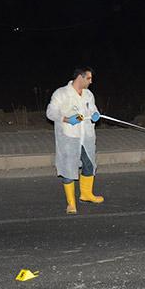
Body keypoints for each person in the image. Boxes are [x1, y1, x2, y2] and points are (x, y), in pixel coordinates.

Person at [46, 67, 104, 214]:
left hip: (87, 136)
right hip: (69, 137)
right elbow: (50, 112)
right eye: (89, 78)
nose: (91, 81)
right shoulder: (61, 93)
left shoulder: (88, 94)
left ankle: (86, 194)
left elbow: (92, 109)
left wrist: (96, 114)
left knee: (89, 164)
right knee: (68, 168)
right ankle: (71, 203)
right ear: (80, 77)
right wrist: (66, 119)